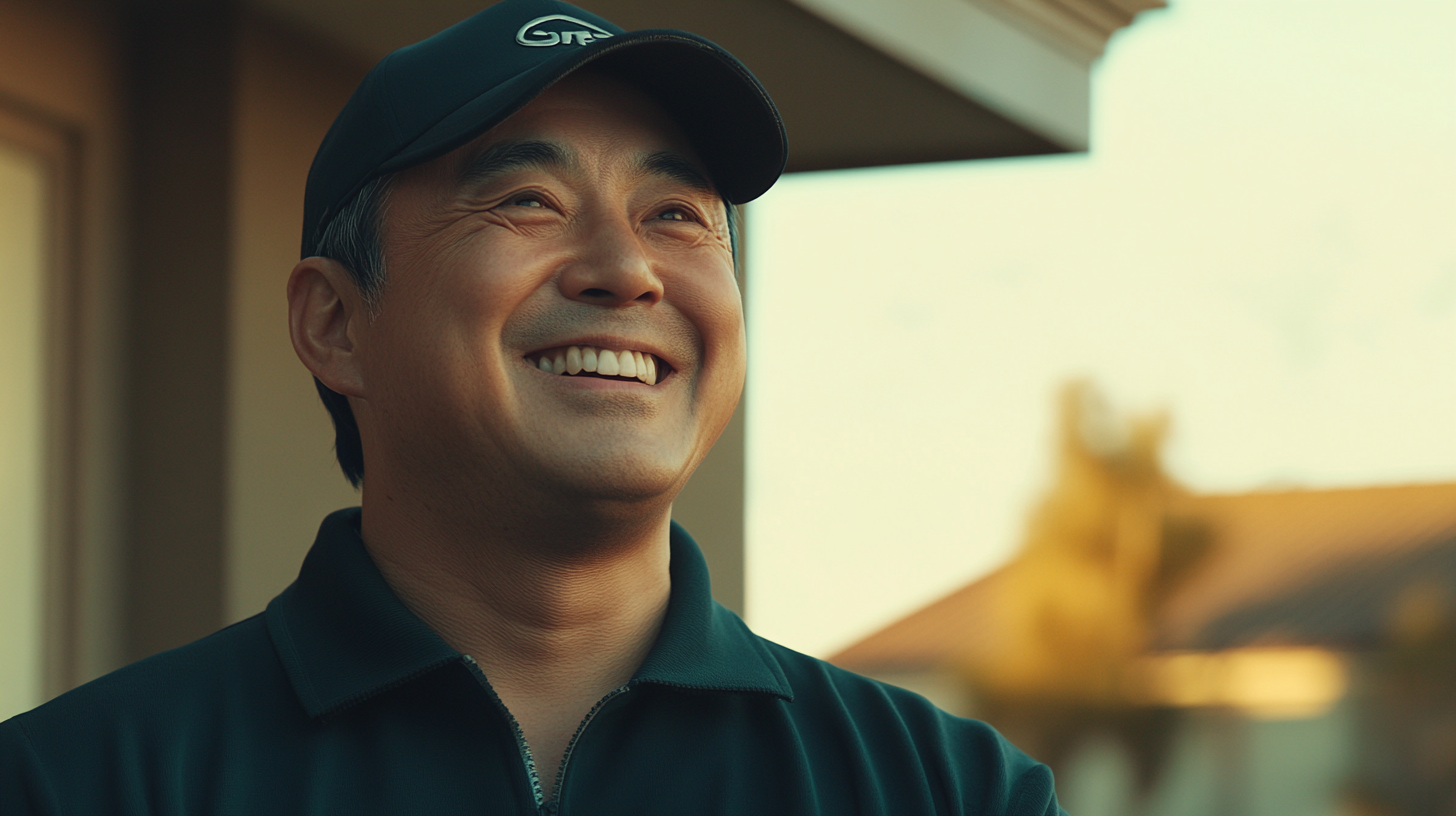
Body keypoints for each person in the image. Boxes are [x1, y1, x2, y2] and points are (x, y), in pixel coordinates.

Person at [0, 1, 1066, 813]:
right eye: (527, 202)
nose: (627, 270)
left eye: (677, 216)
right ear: (334, 325)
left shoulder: (946, 792)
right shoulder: (83, 783)